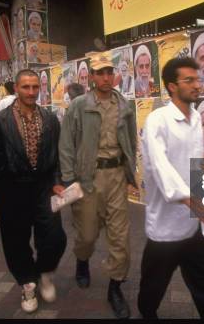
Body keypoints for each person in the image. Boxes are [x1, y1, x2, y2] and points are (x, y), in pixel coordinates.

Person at [138, 57, 204, 319]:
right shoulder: (158, 120)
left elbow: (195, 167)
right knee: (152, 288)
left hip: (198, 226)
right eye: (188, 80)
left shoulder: (197, 118)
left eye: (197, 79)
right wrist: (193, 201)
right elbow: (160, 167)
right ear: (171, 86)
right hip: (166, 229)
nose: (196, 85)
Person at [0, 69, 66, 313]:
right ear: (16, 88)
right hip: (11, 188)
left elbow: (57, 156)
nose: (31, 92)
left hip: (44, 186)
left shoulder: (49, 118)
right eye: (26, 87)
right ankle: (27, 283)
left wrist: (57, 180)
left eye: (35, 87)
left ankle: (45, 272)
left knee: (55, 237)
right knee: (16, 242)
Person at [59, 54, 137, 319]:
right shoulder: (79, 105)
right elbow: (67, 144)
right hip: (88, 179)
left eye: (109, 72)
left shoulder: (124, 105)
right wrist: (69, 179)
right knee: (87, 235)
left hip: (116, 176)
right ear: (91, 77)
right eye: (100, 73)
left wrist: (129, 172)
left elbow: (131, 141)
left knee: (120, 238)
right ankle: (82, 261)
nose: (106, 78)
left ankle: (115, 287)